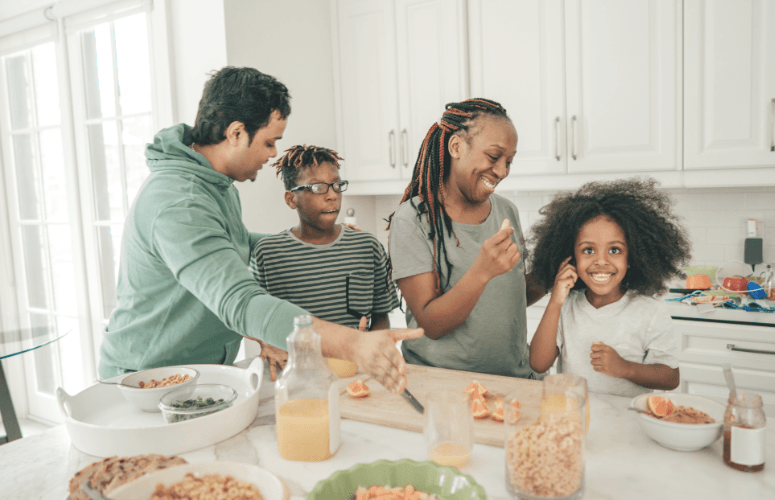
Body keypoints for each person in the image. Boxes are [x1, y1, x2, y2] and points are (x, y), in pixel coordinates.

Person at [98, 67, 421, 393]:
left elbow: (227, 245)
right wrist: (353, 344)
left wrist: (315, 241)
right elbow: (241, 303)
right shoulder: (180, 201)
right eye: (269, 142)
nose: (273, 154)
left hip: (195, 372)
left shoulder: (213, 184)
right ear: (236, 133)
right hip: (145, 380)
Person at [387, 98, 546, 379]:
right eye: (494, 157)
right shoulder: (412, 219)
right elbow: (431, 324)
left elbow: (508, 299)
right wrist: (482, 271)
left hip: (515, 379)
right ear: (456, 147)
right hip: (442, 384)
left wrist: (551, 273)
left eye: (509, 161)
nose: (502, 171)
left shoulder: (506, 210)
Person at [527, 177, 691, 396]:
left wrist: (625, 368)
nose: (601, 261)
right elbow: (538, 364)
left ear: (632, 257)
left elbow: (670, 378)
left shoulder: (650, 311)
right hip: (576, 412)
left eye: (614, 250)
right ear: (571, 256)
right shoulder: (565, 306)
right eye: (588, 250)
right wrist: (555, 302)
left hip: (628, 416)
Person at [248, 145, 400, 377]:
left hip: (355, 371)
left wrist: (370, 345)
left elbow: (381, 315)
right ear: (291, 199)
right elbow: (250, 314)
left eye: (337, 185)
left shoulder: (367, 246)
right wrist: (266, 343)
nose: (332, 195)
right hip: (296, 374)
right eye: (317, 187)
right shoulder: (267, 253)